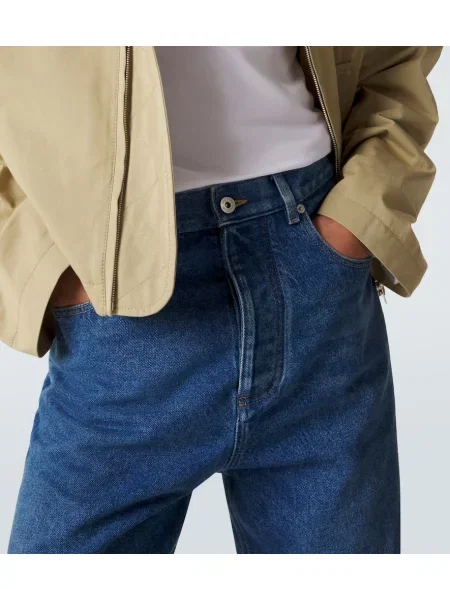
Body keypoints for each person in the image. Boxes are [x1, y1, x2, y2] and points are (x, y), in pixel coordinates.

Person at [2, 46, 441, 554]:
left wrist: (356, 221)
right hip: (119, 302)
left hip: (315, 277)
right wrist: (47, 264)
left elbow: (397, 49)